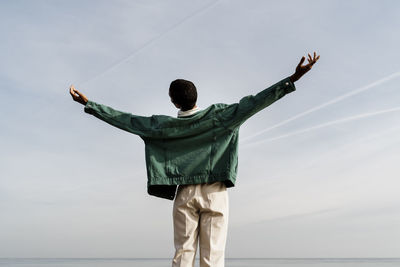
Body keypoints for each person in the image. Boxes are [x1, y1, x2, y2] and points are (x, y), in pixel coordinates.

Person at [70, 52, 320, 267]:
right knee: (213, 258)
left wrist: (91, 104)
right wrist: (293, 79)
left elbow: (127, 120)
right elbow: (256, 102)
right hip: (215, 191)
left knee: (183, 255)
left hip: (185, 194)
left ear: (173, 100)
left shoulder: (162, 126)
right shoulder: (221, 116)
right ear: (196, 97)